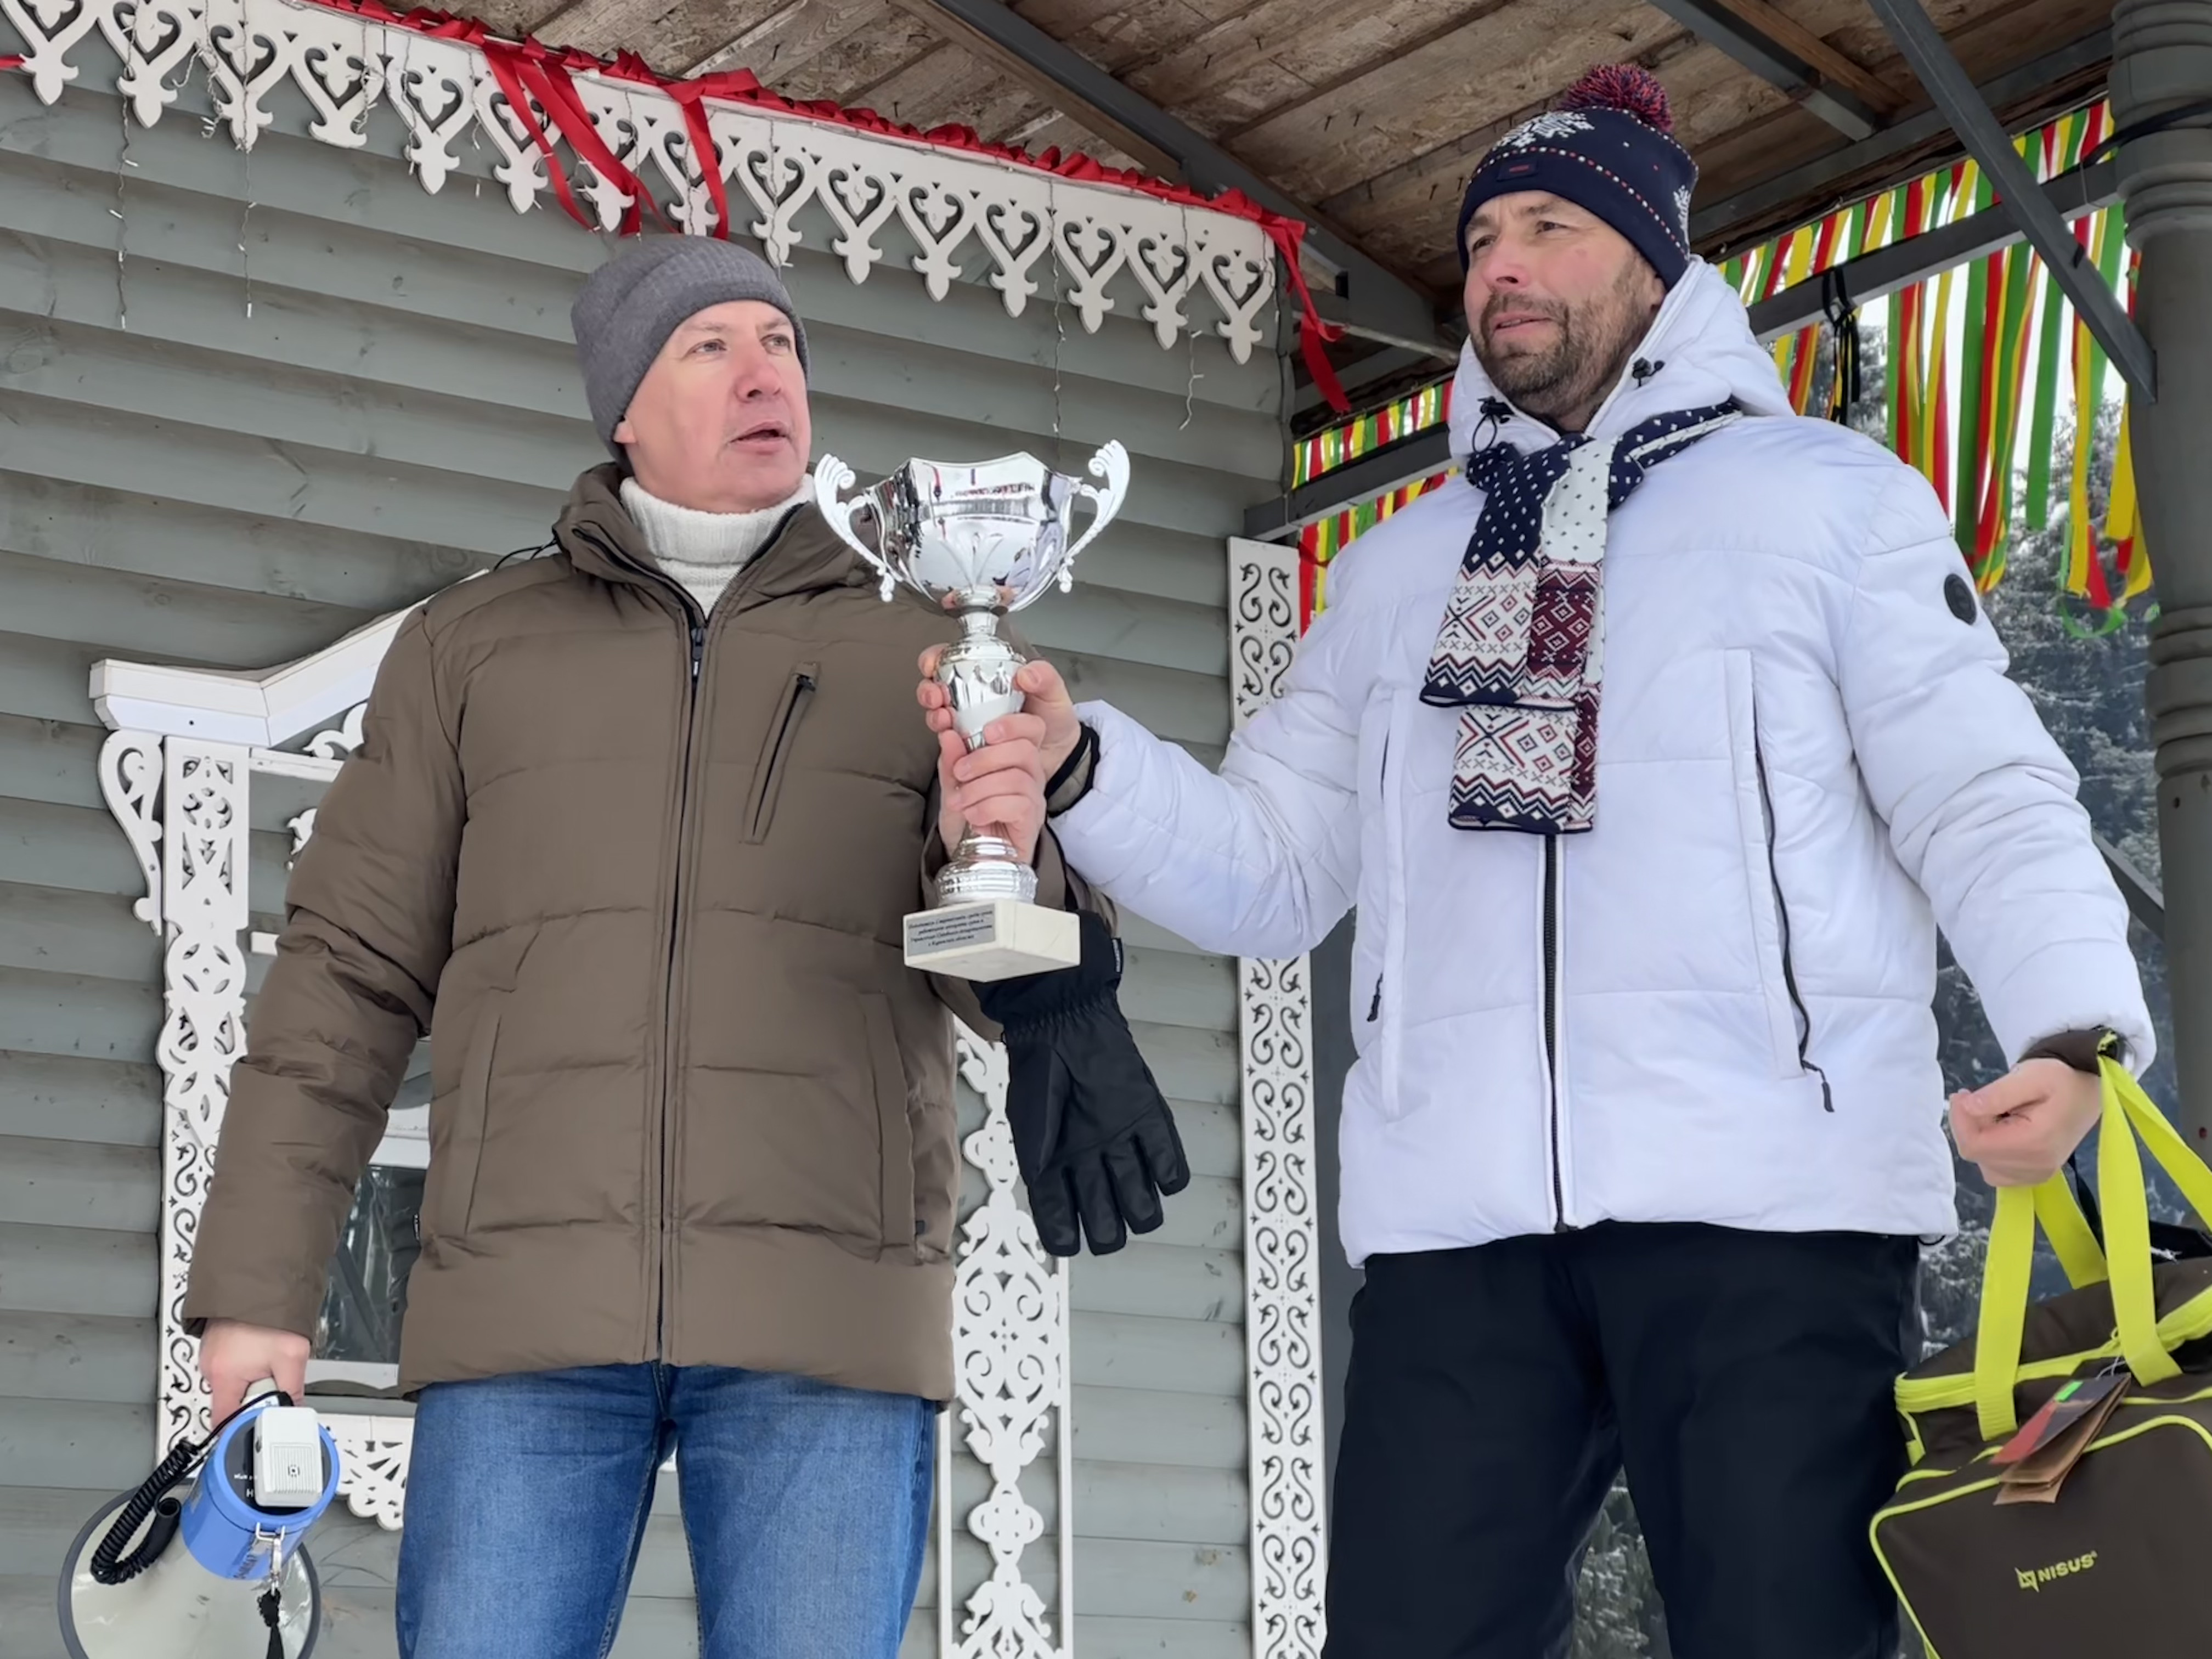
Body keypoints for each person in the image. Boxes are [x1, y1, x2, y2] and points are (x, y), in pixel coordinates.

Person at [920, 66, 2154, 1659]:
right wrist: (1081, 761)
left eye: (1551, 227)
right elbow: (1274, 871)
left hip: (1769, 1204)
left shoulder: (1829, 508)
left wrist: (2070, 1029)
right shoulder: (1398, 572)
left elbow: (1983, 794)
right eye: (1482, 237)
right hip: (1460, 1227)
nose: (1499, 264)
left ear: (1657, 261)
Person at [180, 237, 1121, 1659]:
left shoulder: (924, 648)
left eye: (781, 344)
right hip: (529, 1317)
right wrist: (259, 1293)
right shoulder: (471, 648)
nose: (763, 374)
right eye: (711, 346)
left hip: (828, 1308)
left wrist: (999, 841)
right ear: (624, 406)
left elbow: (1007, 981)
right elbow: (345, 981)